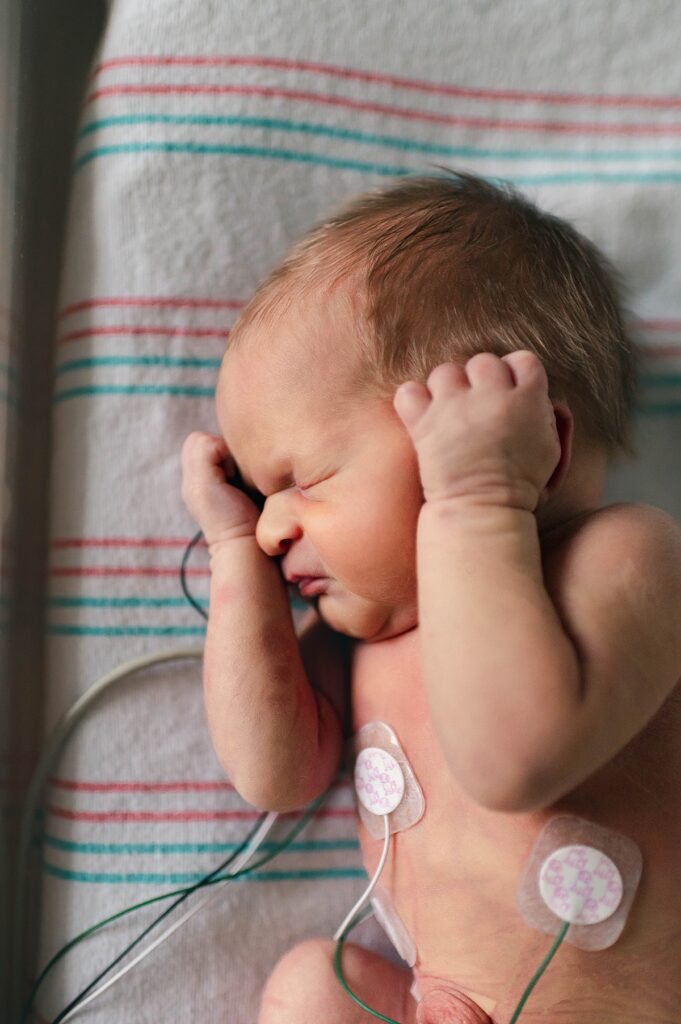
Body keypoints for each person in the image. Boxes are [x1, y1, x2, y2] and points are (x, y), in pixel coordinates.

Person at [181, 171, 681, 1023]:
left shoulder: (623, 557)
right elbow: (273, 774)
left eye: (304, 479)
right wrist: (233, 556)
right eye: (264, 502)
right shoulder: (359, 643)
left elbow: (510, 761)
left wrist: (476, 505)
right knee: (312, 988)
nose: (274, 528)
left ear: (532, 446)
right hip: (436, 1007)